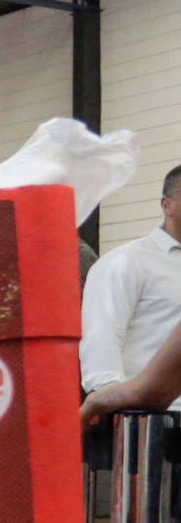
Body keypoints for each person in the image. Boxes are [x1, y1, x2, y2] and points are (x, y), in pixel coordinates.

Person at [81, 166, 181, 409]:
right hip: (156, 419)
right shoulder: (126, 261)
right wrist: (118, 410)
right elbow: (101, 342)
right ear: (166, 205)